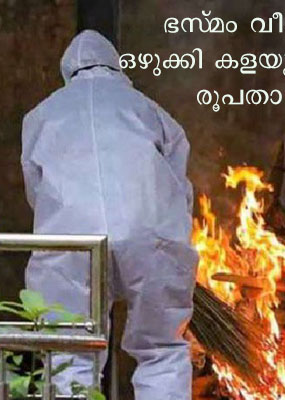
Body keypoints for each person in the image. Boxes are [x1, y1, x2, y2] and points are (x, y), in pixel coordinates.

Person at [21, 30, 197, 399]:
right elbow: (179, 188)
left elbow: (37, 190)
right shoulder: (148, 109)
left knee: (70, 350)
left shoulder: (40, 115)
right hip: (151, 237)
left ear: (67, 71)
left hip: (72, 241)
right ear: (118, 67)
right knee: (161, 350)